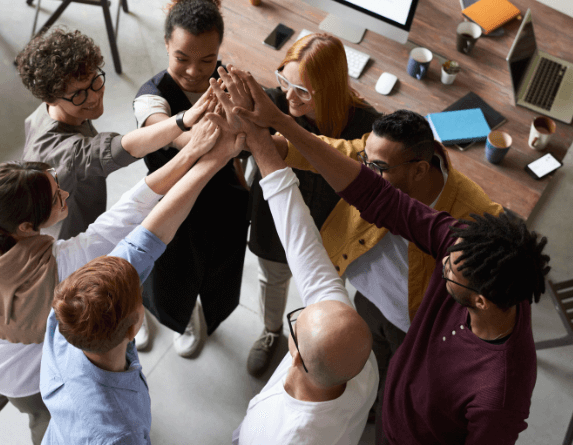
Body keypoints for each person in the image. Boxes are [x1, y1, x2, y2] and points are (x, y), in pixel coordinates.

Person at [222, 67, 552, 445]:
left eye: (449, 270)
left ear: (478, 299)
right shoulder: (468, 245)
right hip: (390, 401)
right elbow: (374, 195)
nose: (441, 259)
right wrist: (277, 124)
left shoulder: (501, 392)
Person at [0, 120, 219, 444]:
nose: (64, 193)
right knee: (48, 421)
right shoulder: (63, 268)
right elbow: (131, 214)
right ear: (26, 226)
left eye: (55, 182)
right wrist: (195, 152)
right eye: (55, 198)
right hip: (27, 377)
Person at [274, 109, 503, 434]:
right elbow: (334, 152)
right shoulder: (377, 153)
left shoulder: (471, 213)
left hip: (411, 325)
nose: (363, 173)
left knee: (397, 397)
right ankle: (368, 402)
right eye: (366, 161)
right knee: (368, 368)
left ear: (421, 169)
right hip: (367, 301)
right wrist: (275, 145)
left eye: (377, 168)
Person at [40, 129, 245, 445]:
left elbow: (151, 234)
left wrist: (216, 157)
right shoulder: (120, 432)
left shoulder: (66, 317)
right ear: (135, 325)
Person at [215, 82, 377, 445]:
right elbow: (300, 238)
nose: (298, 317)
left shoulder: (292, 437)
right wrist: (259, 140)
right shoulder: (359, 363)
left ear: (297, 355)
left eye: (296, 323)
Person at [245, 33, 380, 377]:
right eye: (283, 81)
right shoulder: (272, 103)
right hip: (276, 224)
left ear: (331, 89)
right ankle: (271, 331)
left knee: (322, 300)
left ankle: (312, 348)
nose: (288, 95)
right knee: (272, 280)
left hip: (332, 234)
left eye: (302, 90)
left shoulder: (367, 128)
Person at [132, 0, 249, 357]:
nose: (195, 71)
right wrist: (200, 136)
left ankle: (193, 318)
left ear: (220, 51)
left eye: (207, 60)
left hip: (219, 201)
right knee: (161, 273)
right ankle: (144, 316)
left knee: (215, 275)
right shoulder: (151, 98)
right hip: (169, 201)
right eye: (181, 57)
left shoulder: (232, 84)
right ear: (166, 44)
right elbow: (166, 132)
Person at [18, 28, 213, 243]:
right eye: (79, 94)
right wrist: (183, 120)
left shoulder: (45, 114)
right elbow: (122, 147)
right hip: (70, 242)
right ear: (51, 98)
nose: (93, 97)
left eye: (94, 81)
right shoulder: (66, 152)